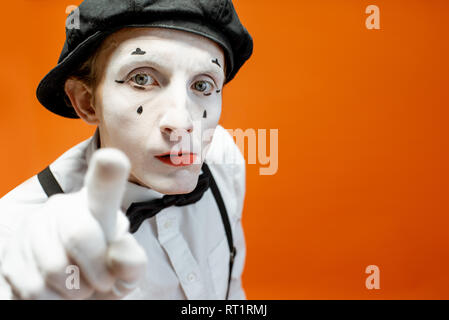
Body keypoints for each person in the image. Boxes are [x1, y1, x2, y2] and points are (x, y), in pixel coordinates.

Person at [0, 0, 253, 300]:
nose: (183, 123)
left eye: (202, 86)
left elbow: (232, 288)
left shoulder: (224, 158)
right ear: (86, 101)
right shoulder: (14, 230)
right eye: (142, 79)